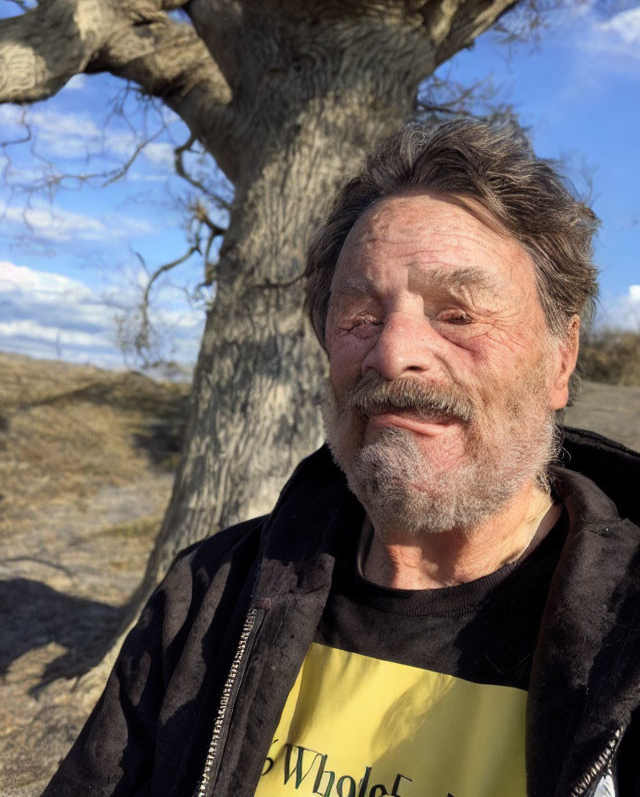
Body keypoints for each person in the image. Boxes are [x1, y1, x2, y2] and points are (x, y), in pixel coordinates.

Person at [43, 120, 640, 797]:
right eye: (358, 320)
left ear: (562, 355)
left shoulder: (629, 649)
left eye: (458, 314)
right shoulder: (206, 599)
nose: (391, 353)